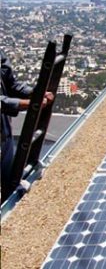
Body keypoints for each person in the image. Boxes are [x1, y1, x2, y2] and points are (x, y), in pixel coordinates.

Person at [1, 50, 53, 195]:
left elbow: (11, 84)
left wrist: (35, 93)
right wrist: (27, 103)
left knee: (9, 181)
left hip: (3, 129)